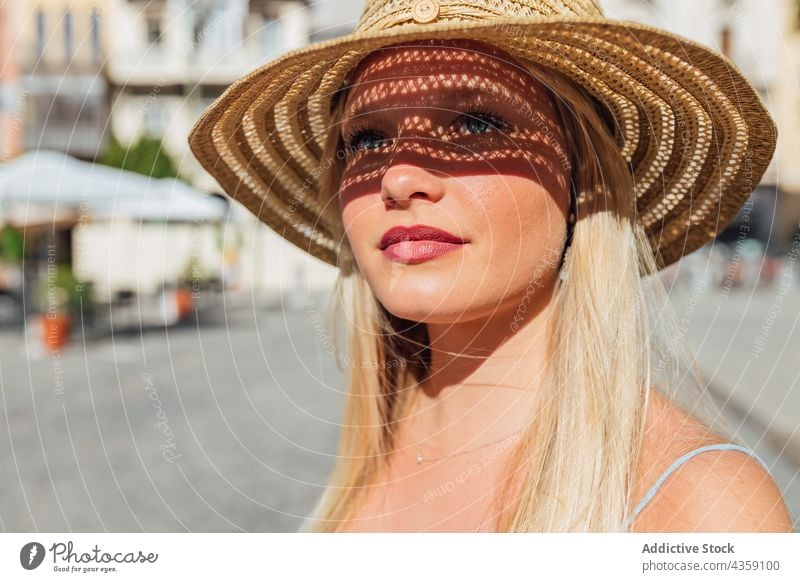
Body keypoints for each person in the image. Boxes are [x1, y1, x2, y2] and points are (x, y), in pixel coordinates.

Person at [188, 0, 794, 533]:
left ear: (580, 175)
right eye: (367, 140)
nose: (399, 177)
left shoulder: (700, 509)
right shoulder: (369, 457)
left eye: (476, 123)